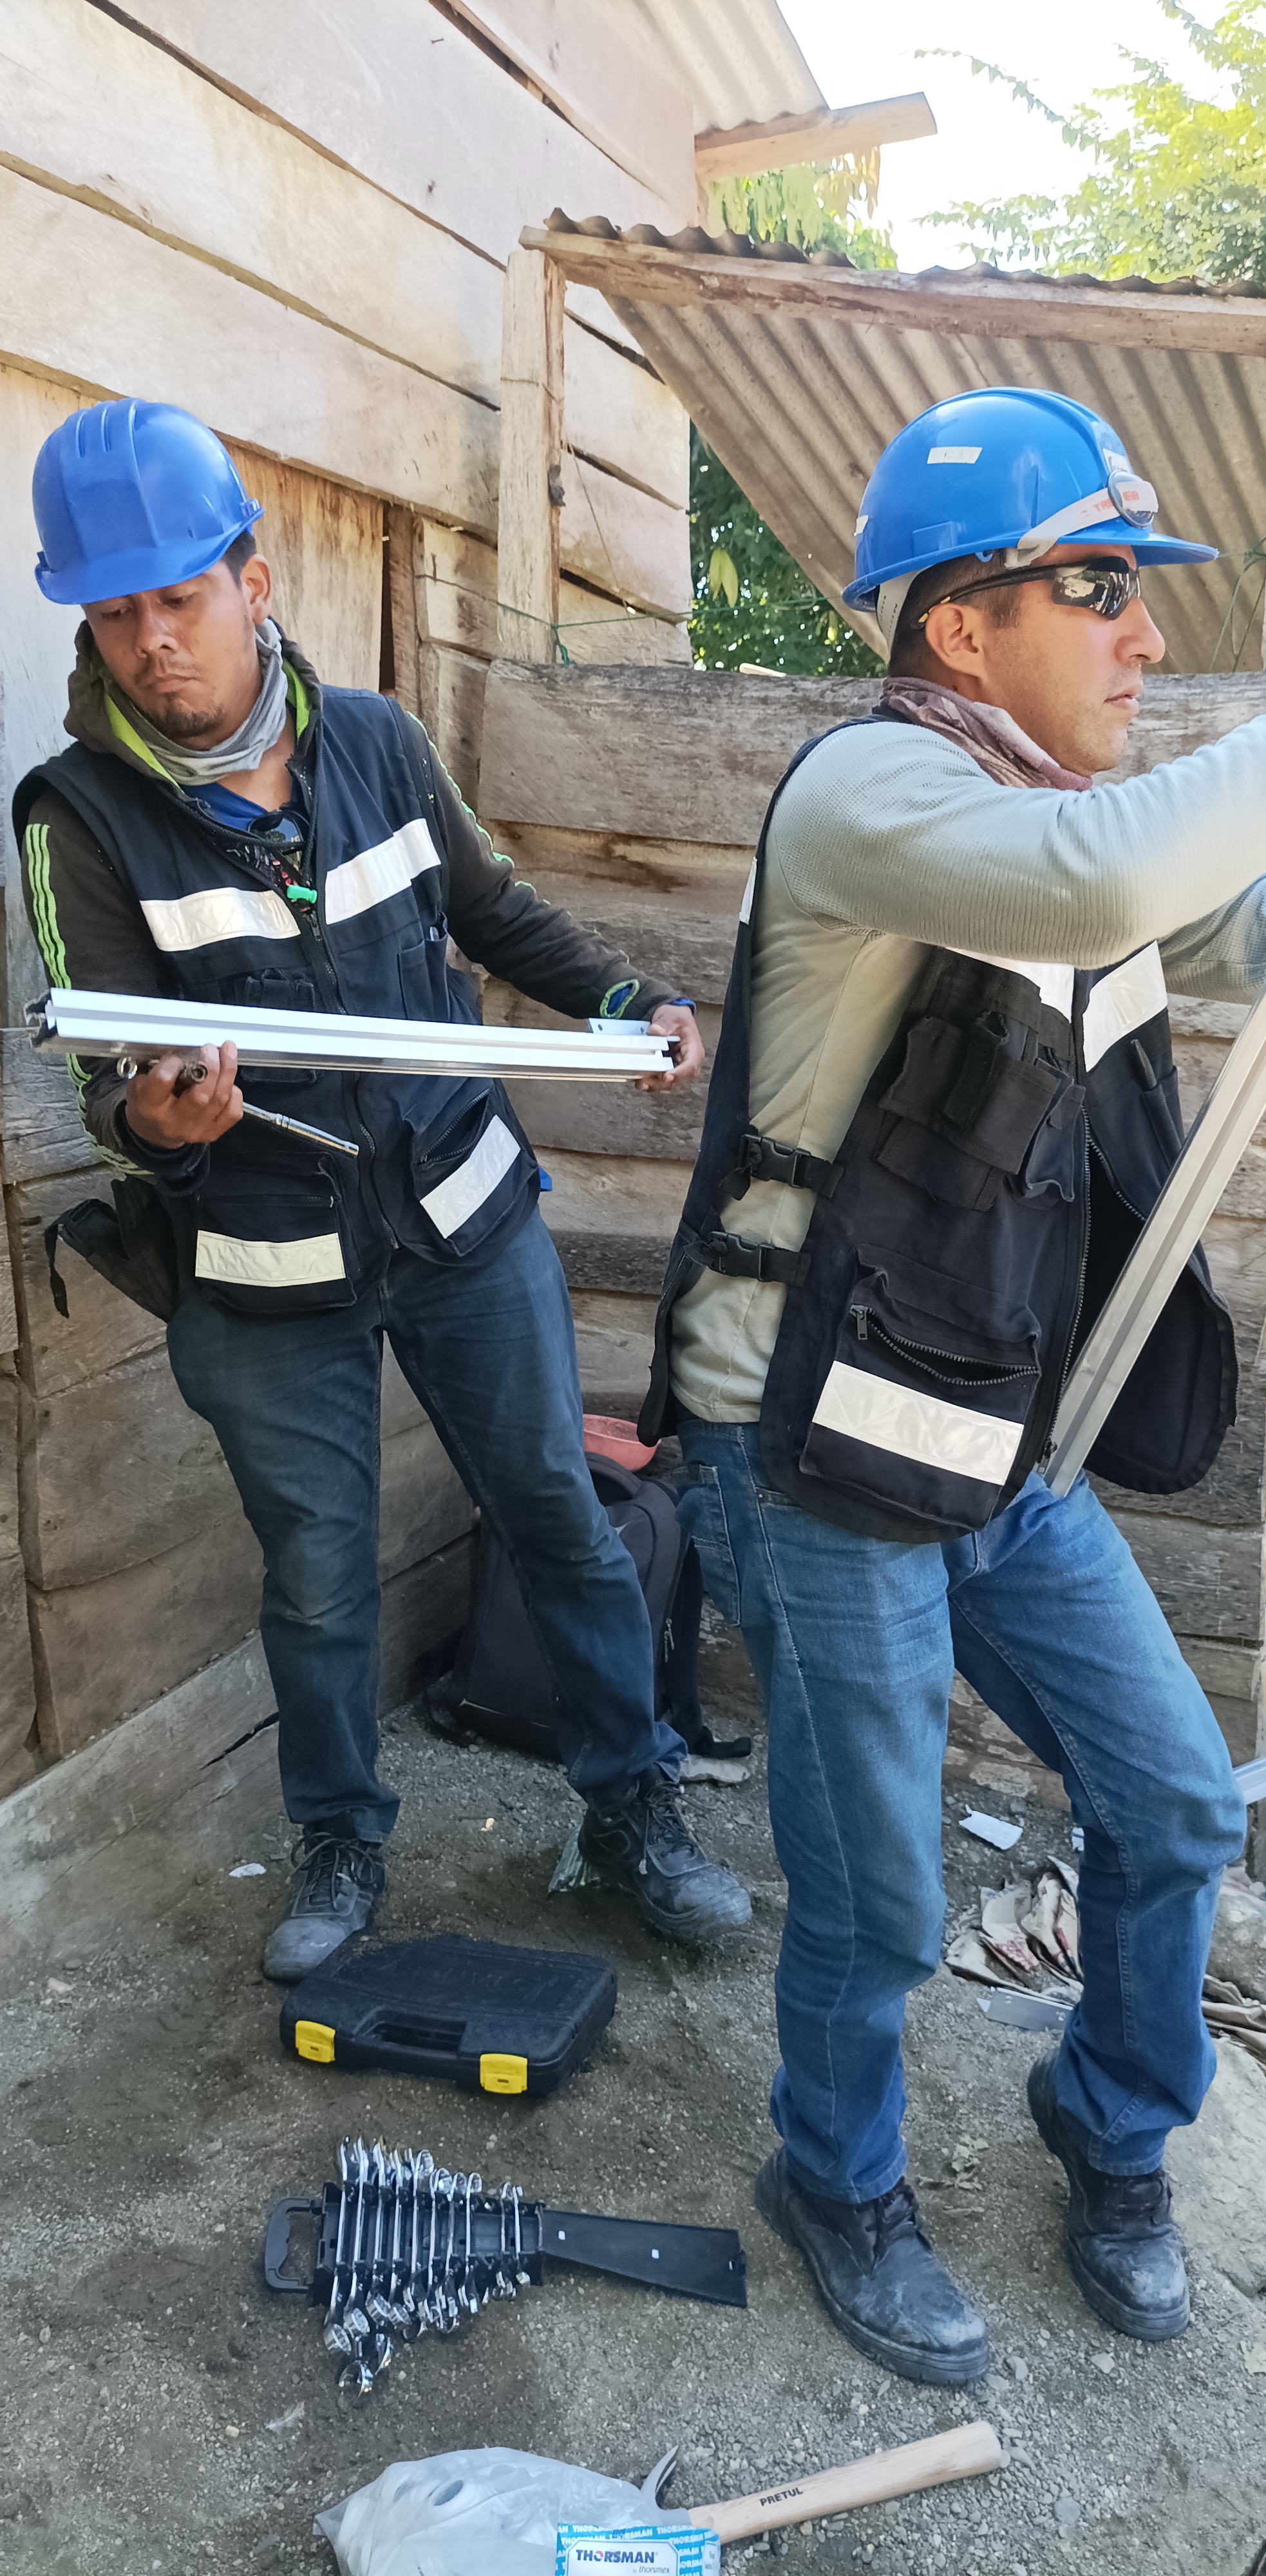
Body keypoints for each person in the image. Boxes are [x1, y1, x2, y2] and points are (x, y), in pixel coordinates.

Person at [639, 386, 1266, 2385]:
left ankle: (1108, 2124)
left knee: (1171, 1802)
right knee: (877, 1884)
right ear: (957, 626)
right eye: (1099, 589)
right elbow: (1100, 882)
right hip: (810, 1443)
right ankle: (835, 2177)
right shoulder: (878, 800)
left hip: (991, 1424)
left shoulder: (1053, 823)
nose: (1144, 636)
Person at [17, 397, 751, 1981]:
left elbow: (496, 911)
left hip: (465, 1219)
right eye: (116, 613)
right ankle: (342, 1838)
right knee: (318, 1575)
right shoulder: (72, 818)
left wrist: (626, 997)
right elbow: (107, 1088)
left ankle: (632, 1805)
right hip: (263, 1267)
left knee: (559, 1512)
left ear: (252, 582)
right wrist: (163, 1120)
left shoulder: (381, 744)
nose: (153, 641)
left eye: (179, 598)